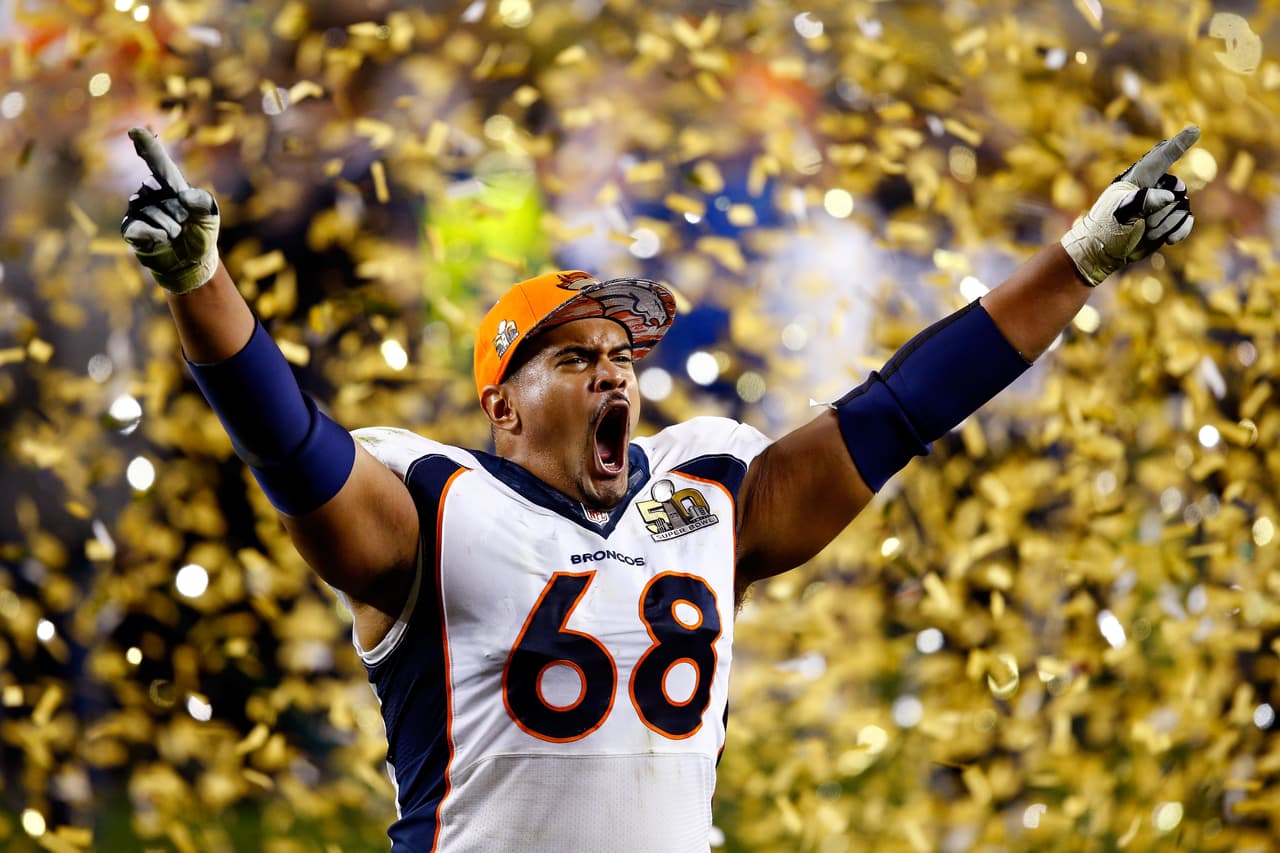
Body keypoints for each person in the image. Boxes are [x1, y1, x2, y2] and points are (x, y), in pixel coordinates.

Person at [120, 123, 1199, 851]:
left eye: (622, 357)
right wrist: (197, 282)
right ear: (501, 406)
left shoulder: (705, 485)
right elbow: (290, 445)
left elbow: (896, 411)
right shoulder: (434, 503)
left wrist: (1078, 260)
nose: (611, 372)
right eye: (572, 357)